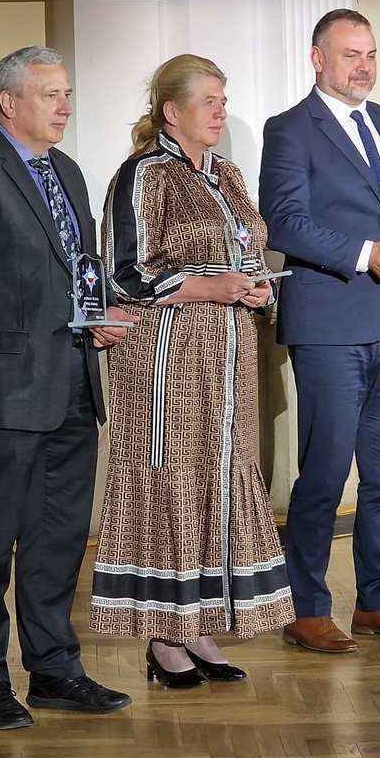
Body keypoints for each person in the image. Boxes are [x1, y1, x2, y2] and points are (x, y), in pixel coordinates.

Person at [0, 46, 135, 732]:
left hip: (73, 381)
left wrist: (98, 315)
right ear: (8, 102)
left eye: (67, 93)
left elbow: (74, 270)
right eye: (51, 95)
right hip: (3, 391)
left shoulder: (67, 171)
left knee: (59, 538)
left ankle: (54, 670)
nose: (65, 107)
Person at [258, 9, 380, 654]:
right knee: (324, 472)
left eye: (370, 54)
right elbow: (283, 221)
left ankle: (378, 600)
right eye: (350, 55)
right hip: (331, 324)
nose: (364, 67)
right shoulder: (290, 128)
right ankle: (306, 608)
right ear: (318, 59)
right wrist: (366, 252)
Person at [90, 54, 295, 686]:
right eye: (208, 101)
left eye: (223, 100)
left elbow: (246, 252)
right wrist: (210, 286)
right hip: (166, 355)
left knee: (220, 478)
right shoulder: (143, 174)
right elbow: (125, 271)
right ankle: (164, 638)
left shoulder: (226, 172)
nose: (220, 112)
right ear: (171, 112)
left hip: (230, 355)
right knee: (173, 479)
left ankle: (199, 623)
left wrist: (255, 286)